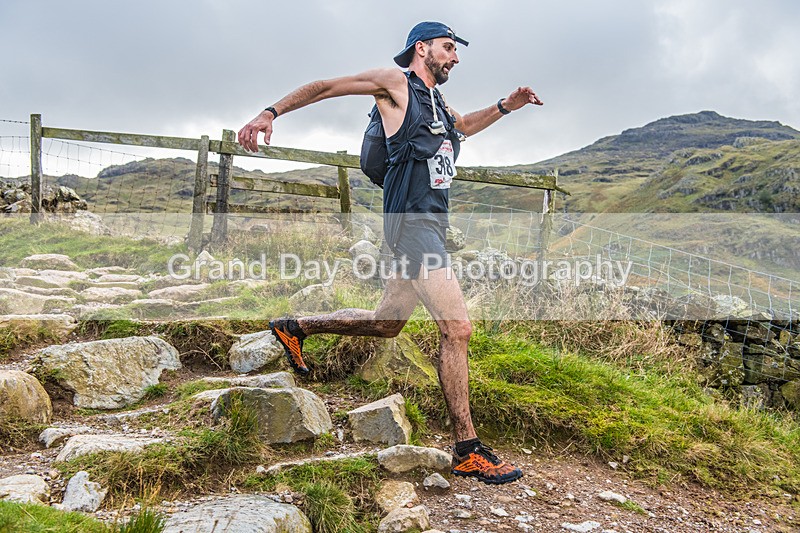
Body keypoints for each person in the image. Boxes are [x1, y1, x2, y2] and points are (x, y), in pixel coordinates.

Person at [238, 21, 543, 485]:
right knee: (457, 329)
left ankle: (294, 327)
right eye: (448, 48)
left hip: (428, 225)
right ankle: (467, 449)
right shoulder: (395, 84)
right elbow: (326, 86)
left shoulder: (439, 103)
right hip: (412, 226)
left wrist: (506, 106)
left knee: (387, 322)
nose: (455, 57)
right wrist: (269, 112)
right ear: (422, 48)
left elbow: (464, 127)